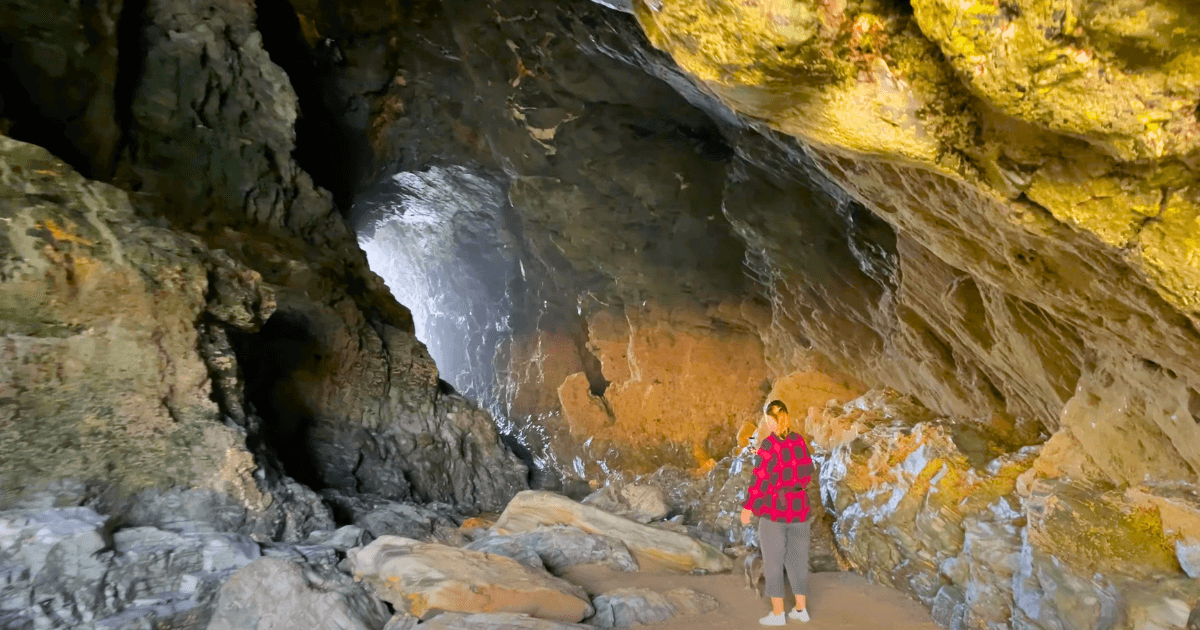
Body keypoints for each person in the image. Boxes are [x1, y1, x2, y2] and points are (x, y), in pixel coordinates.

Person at [740, 400, 815, 625]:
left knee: (773, 561)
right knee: (798, 560)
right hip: (799, 508)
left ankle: (778, 614)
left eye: (766, 419)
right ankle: (801, 610)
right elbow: (808, 473)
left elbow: (759, 480)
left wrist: (748, 508)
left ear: (771, 420)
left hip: (775, 509)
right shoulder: (798, 440)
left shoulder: (769, 445)